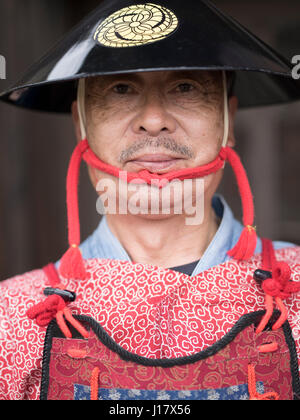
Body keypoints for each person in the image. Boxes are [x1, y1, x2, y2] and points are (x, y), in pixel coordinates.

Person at [0, 0, 300, 401]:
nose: (154, 118)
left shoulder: (293, 283)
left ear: (227, 121)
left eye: (186, 86)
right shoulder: (12, 316)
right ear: (81, 124)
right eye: (121, 88)